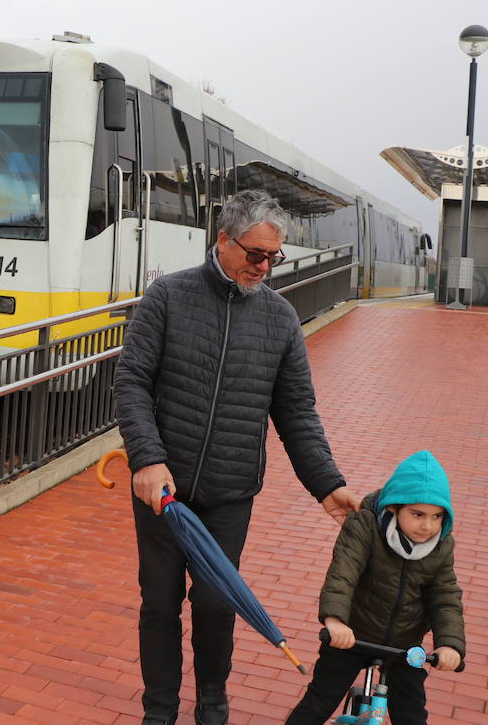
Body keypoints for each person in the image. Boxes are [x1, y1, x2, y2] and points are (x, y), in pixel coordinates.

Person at [115, 188, 360, 725]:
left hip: (229, 495)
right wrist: (147, 458)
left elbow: (296, 412)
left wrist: (327, 483)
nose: (265, 267)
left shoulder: (280, 320)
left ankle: (212, 700)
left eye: (275, 257)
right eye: (255, 254)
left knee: (215, 604)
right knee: (159, 604)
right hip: (163, 493)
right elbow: (131, 381)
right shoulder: (167, 296)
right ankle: (159, 709)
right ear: (223, 240)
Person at [286, 450, 465, 725]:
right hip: (353, 635)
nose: (428, 525)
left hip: (405, 646)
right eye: (417, 514)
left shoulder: (440, 546)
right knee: (318, 704)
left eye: (437, 516)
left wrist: (449, 645)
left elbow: (445, 597)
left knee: (412, 715)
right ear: (394, 506)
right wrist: (335, 621)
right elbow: (343, 573)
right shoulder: (365, 526)